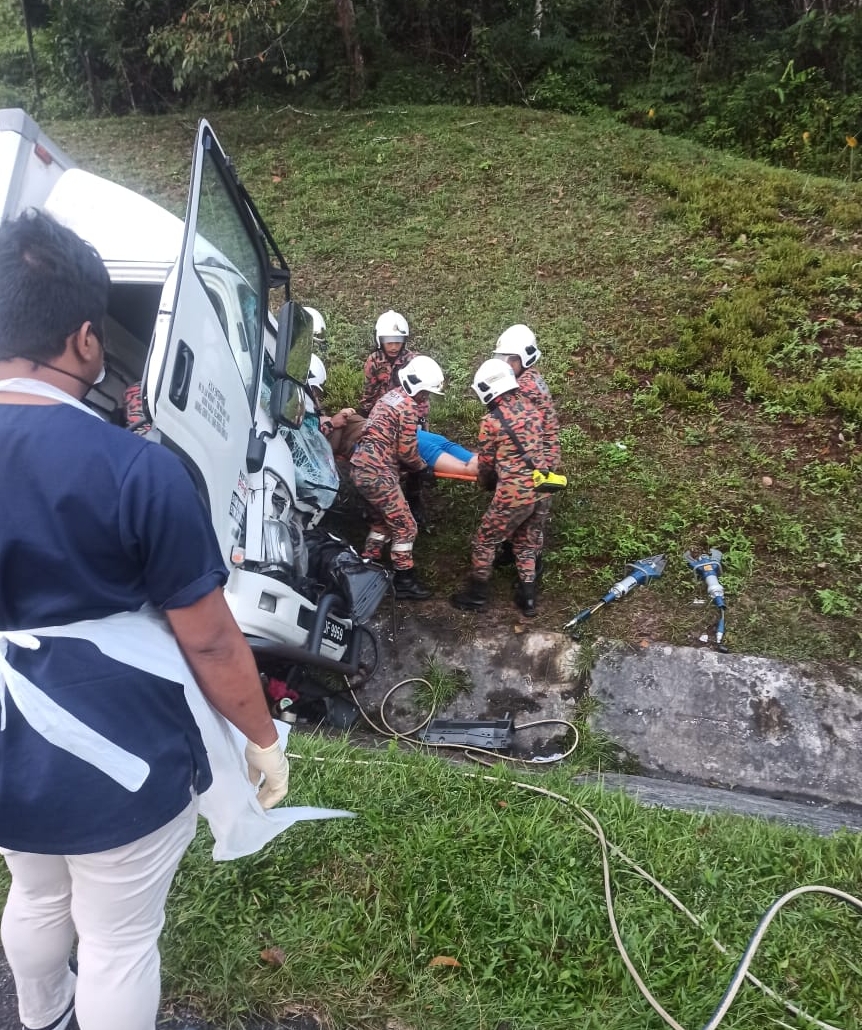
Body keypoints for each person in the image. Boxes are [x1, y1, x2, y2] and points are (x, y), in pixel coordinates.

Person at [0, 211, 290, 1030]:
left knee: (33, 887)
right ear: (88, 340)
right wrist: (262, 742)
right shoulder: (135, 466)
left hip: (2, 743)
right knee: (120, 939)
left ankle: (41, 1017)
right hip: (117, 748)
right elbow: (207, 634)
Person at [451, 358, 546, 617]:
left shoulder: (492, 421)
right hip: (542, 487)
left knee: (484, 540)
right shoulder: (531, 407)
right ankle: (527, 597)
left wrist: (486, 484)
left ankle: (476, 594)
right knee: (526, 541)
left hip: (514, 494)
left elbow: (486, 463)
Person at [350, 355, 445, 600]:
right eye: (426, 392)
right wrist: (422, 468)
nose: (426, 397)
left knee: (381, 523)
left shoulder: (389, 398)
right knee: (406, 527)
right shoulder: (408, 408)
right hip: (379, 474)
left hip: (360, 469)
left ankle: (367, 564)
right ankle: (404, 579)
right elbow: (407, 451)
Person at [491, 324, 561, 575]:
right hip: (539, 454)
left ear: (525, 358)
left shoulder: (524, 388)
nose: (504, 364)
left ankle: (530, 569)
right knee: (529, 512)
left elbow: (509, 423)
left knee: (530, 517)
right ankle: (516, 554)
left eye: (510, 360)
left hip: (535, 459)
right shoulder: (529, 378)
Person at [356, 309, 415, 418]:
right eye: (389, 342)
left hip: (406, 413)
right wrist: (366, 415)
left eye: (398, 342)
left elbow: (419, 394)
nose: (394, 347)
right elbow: (369, 392)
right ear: (380, 341)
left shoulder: (412, 361)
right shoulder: (374, 360)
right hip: (379, 413)